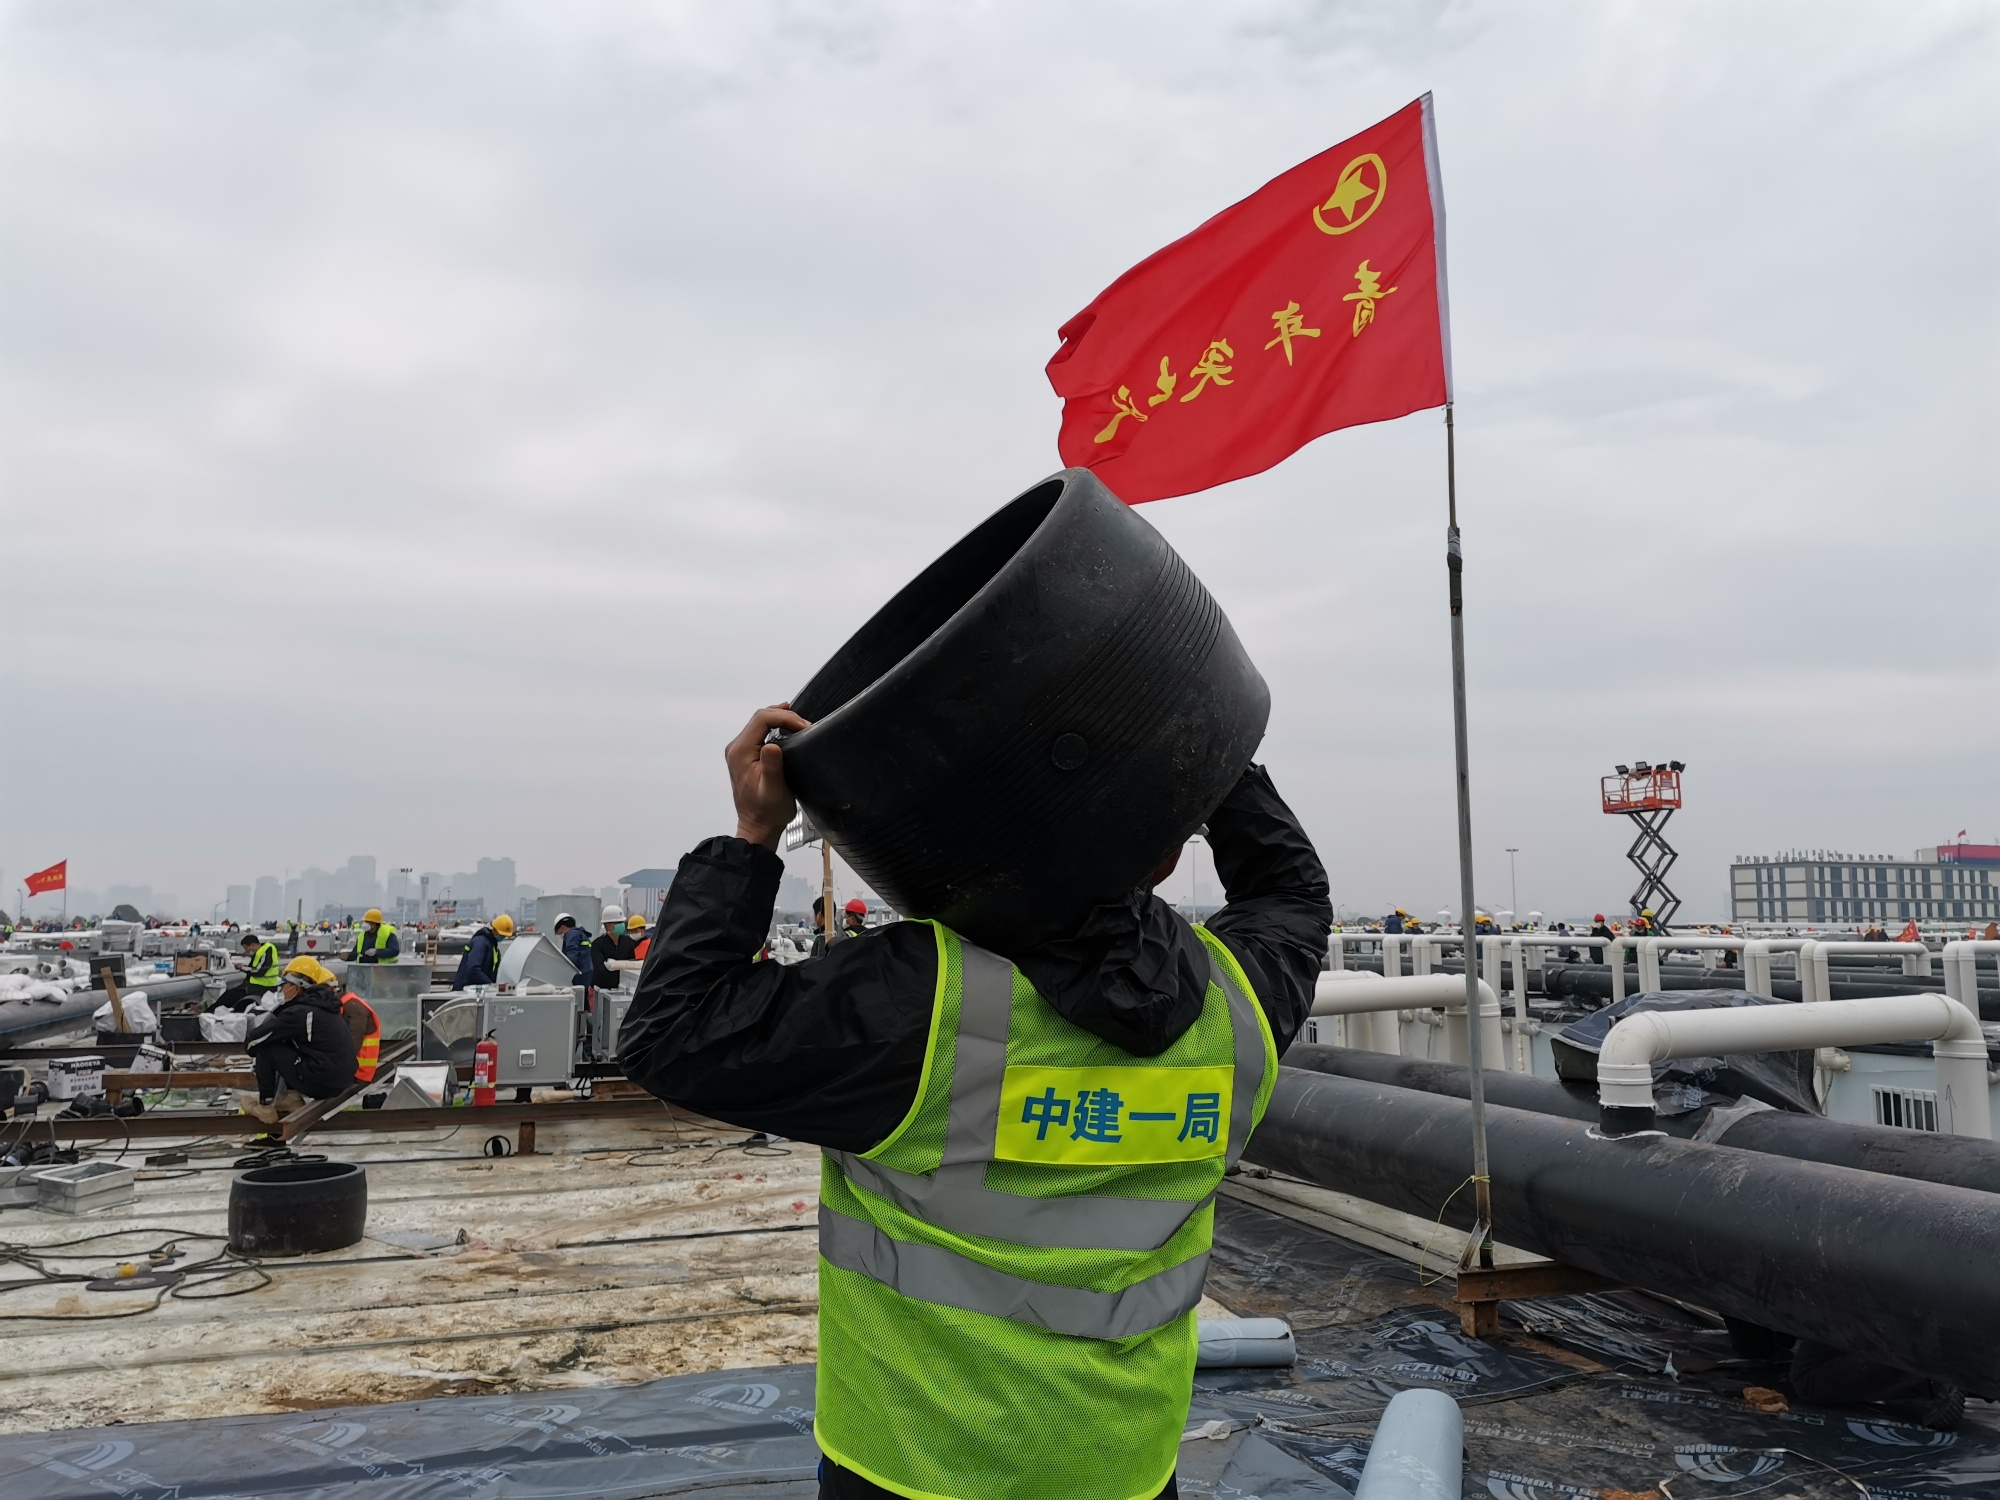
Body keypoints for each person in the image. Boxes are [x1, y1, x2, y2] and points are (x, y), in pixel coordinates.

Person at [620, 704, 1332, 1500]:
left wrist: (754, 833)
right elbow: (1290, 890)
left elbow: (672, 1033)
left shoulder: (920, 1004)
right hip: (1122, 1472)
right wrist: (1195, 716)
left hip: (910, 1471)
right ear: (1168, 859)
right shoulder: (1240, 1008)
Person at [241, 957, 361, 1125]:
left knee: (267, 1045)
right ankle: (291, 1097)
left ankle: (265, 1106)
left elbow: (254, 1041)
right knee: (289, 1040)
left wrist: (256, 1052)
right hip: (342, 1080)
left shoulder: (300, 1013)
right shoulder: (326, 1007)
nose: (282, 989)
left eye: (284, 985)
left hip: (321, 1082)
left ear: (296, 987)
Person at [216, 931, 284, 1012]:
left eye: (246, 948)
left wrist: (243, 968)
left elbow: (259, 971)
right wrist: (243, 967)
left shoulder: (268, 949)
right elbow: (253, 968)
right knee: (229, 995)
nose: (246, 951)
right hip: (255, 985)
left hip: (263, 986)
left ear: (253, 945)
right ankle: (215, 1009)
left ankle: (214, 1011)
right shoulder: (259, 952)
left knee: (232, 997)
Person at [451, 912, 514, 990]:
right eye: (502, 935)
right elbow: (474, 969)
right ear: (494, 929)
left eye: (505, 936)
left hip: (477, 990)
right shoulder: (480, 942)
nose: (503, 937)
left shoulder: (492, 945)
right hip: (466, 990)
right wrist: (490, 984)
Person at [591, 906, 631, 989]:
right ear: (607, 925)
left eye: (622, 922)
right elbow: (600, 971)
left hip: (624, 989)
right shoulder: (597, 945)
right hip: (602, 990)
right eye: (617, 922)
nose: (621, 925)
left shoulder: (628, 943)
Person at [553, 913, 593, 984]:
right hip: (587, 973)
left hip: (579, 975)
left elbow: (572, 956)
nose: (561, 935)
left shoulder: (572, 935)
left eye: (560, 932)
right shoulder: (581, 934)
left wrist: (565, 972)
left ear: (562, 927)